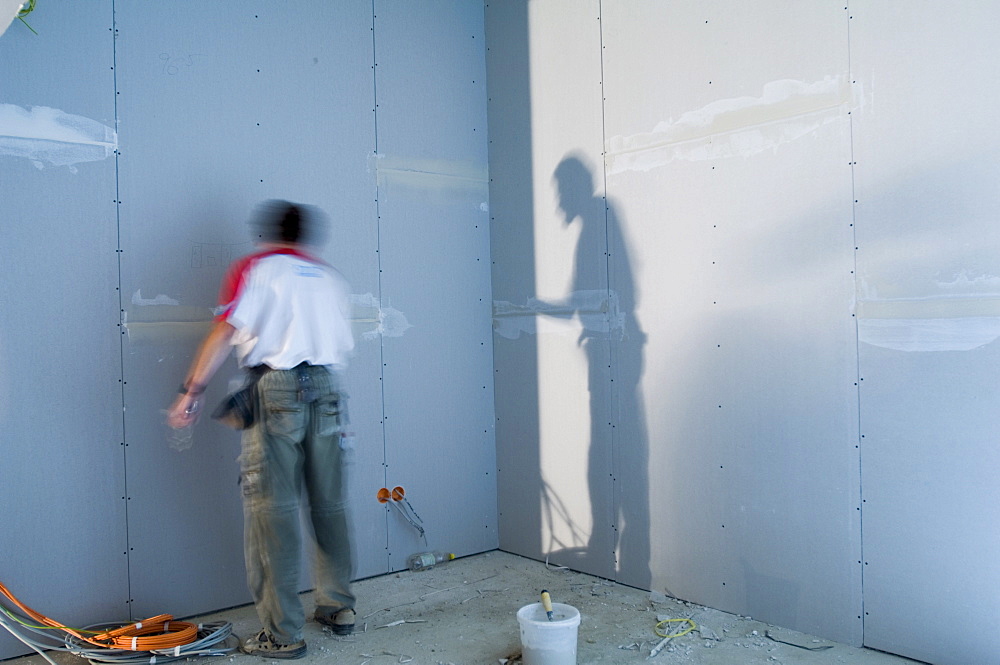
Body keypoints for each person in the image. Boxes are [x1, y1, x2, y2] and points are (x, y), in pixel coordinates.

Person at [167, 200, 357, 659]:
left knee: (271, 515)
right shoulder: (329, 278)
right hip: (328, 390)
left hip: (277, 391)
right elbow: (339, 345)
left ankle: (282, 635)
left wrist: (190, 392)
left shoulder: (256, 268)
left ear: (265, 235)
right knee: (329, 507)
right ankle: (338, 607)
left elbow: (225, 331)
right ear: (305, 236)